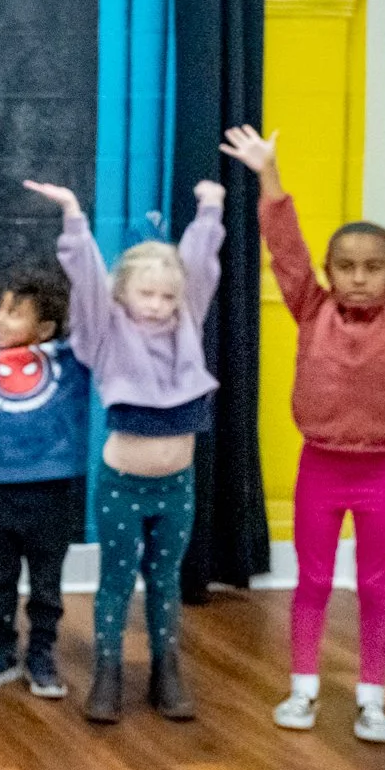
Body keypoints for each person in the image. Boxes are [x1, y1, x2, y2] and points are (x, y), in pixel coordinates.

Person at [231, 120, 385, 744]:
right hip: (320, 469)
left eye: (373, 267)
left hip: (380, 474)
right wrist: (268, 173)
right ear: (330, 271)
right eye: (346, 267)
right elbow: (284, 247)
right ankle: (303, 689)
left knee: (374, 586)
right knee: (312, 582)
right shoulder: (311, 307)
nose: (360, 277)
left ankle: (373, 699)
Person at [39, 175, 227, 725]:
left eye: (168, 295)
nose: (159, 304)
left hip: (177, 485)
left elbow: (199, 264)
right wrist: (74, 215)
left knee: (165, 579)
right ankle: (107, 672)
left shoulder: (186, 323)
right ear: (123, 293)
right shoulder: (107, 331)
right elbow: (88, 280)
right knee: (117, 579)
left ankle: (166, 670)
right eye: (147, 293)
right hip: (123, 484)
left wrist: (210, 209)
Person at [0, 260, 90, 700]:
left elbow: (96, 310)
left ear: (46, 327)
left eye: (13, 312)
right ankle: (0, 651)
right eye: (0, 309)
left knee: (46, 580)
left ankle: (42, 655)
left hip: (52, 490)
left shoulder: (71, 359)